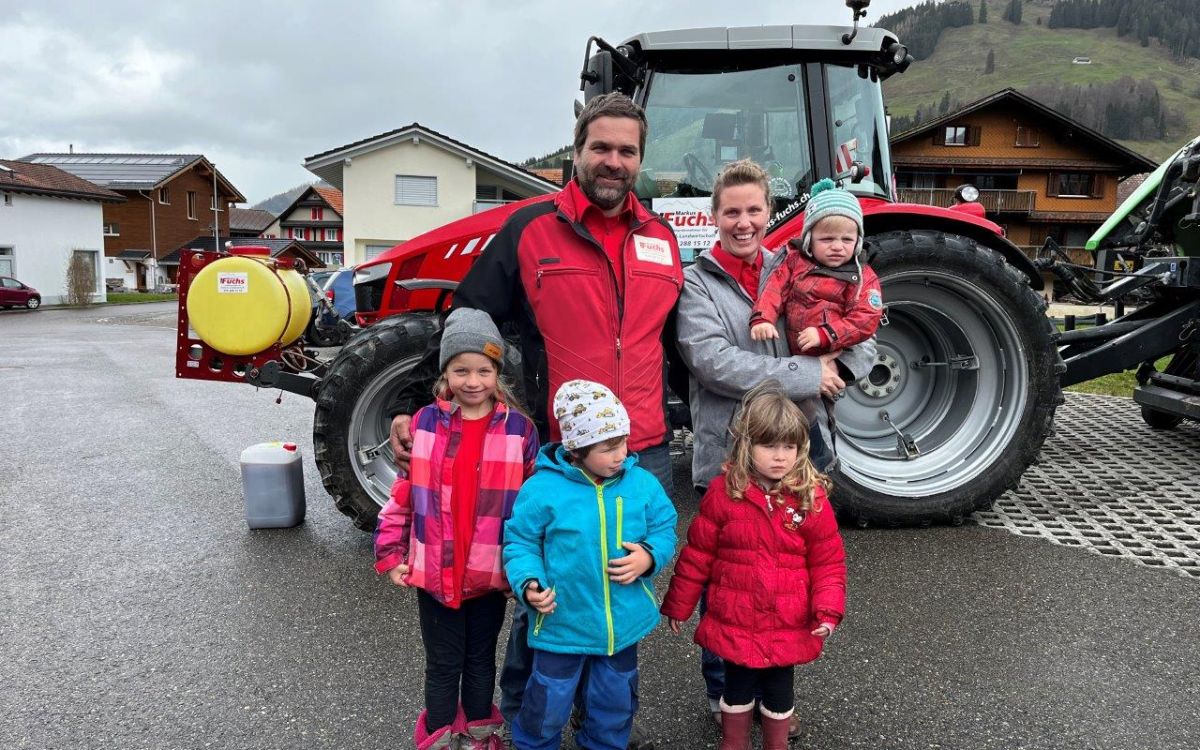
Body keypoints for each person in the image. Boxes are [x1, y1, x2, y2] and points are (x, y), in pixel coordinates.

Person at [387, 91, 684, 749]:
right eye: (600, 147)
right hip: (561, 451)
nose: (613, 161)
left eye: (626, 150)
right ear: (576, 152)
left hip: (644, 447)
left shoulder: (661, 240)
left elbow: (679, 344)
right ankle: (527, 720)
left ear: (640, 159)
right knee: (544, 589)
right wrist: (413, 402)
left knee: (621, 581)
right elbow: (467, 320)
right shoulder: (529, 230)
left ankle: (604, 721)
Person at [674, 160, 875, 732]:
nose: (744, 222)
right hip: (730, 454)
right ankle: (725, 693)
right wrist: (810, 374)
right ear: (713, 216)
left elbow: (863, 331)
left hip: (797, 452)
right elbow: (713, 363)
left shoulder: (800, 265)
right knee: (728, 576)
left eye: (754, 210)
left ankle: (774, 692)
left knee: (787, 571)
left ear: (770, 213)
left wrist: (842, 364)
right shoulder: (696, 284)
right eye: (732, 211)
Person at [373, 308, 540, 750]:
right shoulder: (424, 423)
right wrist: (391, 553)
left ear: (497, 373)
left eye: (483, 370)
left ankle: (480, 734)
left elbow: (532, 510)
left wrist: (524, 570)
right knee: (444, 664)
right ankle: (441, 736)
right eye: (461, 370)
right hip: (435, 575)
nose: (472, 381)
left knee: (482, 661)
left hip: (490, 576)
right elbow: (403, 495)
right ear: (445, 372)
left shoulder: (520, 431)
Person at [660, 382, 846, 750]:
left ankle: (776, 744)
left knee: (779, 690)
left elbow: (828, 562)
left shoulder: (810, 498)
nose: (780, 457)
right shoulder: (724, 492)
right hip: (736, 616)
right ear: (747, 445)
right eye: (769, 446)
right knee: (736, 687)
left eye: (789, 447)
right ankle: (734, 743)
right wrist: (679, 604)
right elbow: (698, 555)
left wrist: (827, 610)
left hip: (786, 619)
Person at [503, 380, 678, 750]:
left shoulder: (641, 483)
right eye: (608, 447)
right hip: (561, 624)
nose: (621, 455)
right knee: (547, 702)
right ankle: (534, 745)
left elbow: (664, 526)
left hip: (621, 625)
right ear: (576, 449)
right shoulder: (542, 489)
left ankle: (604, 744)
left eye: (623, 442)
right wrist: (528, 581)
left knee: (614, 701)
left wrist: (649, 555)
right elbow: (520, 541)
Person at [749, 177, 882, 358]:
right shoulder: (794, 261)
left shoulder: (862, 277)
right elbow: (775, 289)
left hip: (834, 355)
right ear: (809, 240)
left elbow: (866, 317)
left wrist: (826, 334)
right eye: (827, 239)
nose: (837, 246)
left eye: (847, 239)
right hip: (794, 358)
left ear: (857, 242)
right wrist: (763, 318)